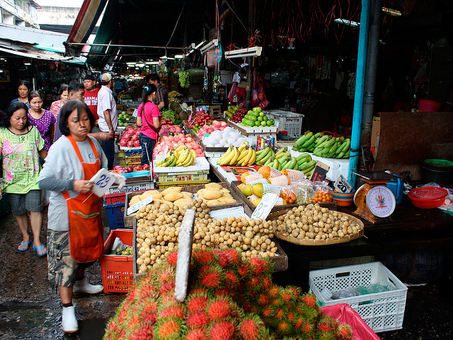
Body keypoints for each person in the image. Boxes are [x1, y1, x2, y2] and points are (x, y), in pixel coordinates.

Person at [38, 99, 125, 334]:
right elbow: (43, 180)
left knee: (85, 254)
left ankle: (82, 283)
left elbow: (102, 171)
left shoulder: (94, 144)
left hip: (89, 211)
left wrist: (112, 178)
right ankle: (67, 308)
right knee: (65, 261)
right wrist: (73, 184)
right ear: (66, 123)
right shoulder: (60, 147)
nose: (82, 124)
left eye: (86, 119)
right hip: (66, 214)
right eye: (75, 120)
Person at [0, 101, 47, 256]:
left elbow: (42, 153)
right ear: (9, 118)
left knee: (35, 209)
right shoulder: (2, 133)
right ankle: (26, 237)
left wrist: (53, 166)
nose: (21, 122)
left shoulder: (33, 131)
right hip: (12, 180)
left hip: (33, 178)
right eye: (17, 118)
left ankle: (37, 242)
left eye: (24, 118)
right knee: (18, 211)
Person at [136, 84, 161, 165]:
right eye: (156, 93)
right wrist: (161, 121)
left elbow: (138, 123)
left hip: (142, 136)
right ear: (153, 93)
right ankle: (143, 176)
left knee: (146, 158)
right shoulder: (154, 107)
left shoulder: (141, 106)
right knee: (146, 161)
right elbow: (156, 125)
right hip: (150, 137)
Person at [97, 73, 118, 169]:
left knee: (107, 152)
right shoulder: (105, 93)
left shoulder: (103, 91)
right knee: (108, 154)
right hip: (107, 129)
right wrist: (110, 128)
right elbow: (106, 112)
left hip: (105, 127)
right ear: (110, 82)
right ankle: (108, 173)